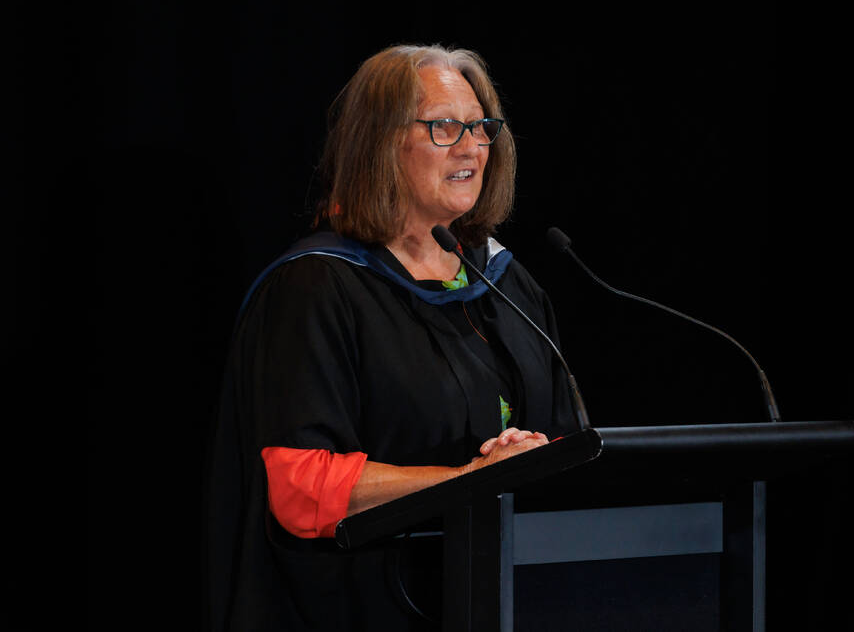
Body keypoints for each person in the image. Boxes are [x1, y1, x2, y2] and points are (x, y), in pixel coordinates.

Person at [203, 44, 578, 631]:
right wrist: (469, 482)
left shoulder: (503, 281)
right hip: (363, 607)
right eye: (444, 126)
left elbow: (567, 443)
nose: (472, 148)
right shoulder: (318, 285)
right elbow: (301, 484)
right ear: (379, 143)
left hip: (509, 597)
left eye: (481, 127)